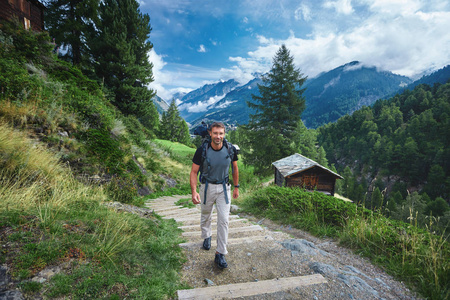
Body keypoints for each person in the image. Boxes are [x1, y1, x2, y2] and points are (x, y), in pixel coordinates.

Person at [190, 121, 239, 269]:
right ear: (210, 133)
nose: (218, 136)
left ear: (224, 134)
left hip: (224, 188)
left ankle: (220, 253)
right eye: (215, 133)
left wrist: (236, 187)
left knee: (224, 220)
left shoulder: (230, 149)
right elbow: (193, 172)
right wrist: (194, 191)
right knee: (206, 214)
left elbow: (235, 169)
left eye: (221, 133)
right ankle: (207, 235)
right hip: (206, 187)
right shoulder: (202, 150)